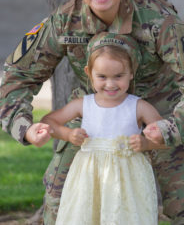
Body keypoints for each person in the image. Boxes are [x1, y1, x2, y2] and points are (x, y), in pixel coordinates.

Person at [0, 0, 184, 224]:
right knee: (60, 207)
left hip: (158, 118)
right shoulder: (64, 21)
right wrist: (25, 127)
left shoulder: (158, 20)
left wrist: (172, 127)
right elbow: (18, 76)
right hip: (91, 123)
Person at [40, 32, 166, 225]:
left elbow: (165, 137)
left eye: (118, 76)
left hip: (127, 179)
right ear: (89, 73)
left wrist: (146, 142)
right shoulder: (83, 104)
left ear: (131, 73)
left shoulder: (139, 106)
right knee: (87, 216)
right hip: (89, 178)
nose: (110, 83)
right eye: (102, 76)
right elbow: (49, 121)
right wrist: (68, 134)